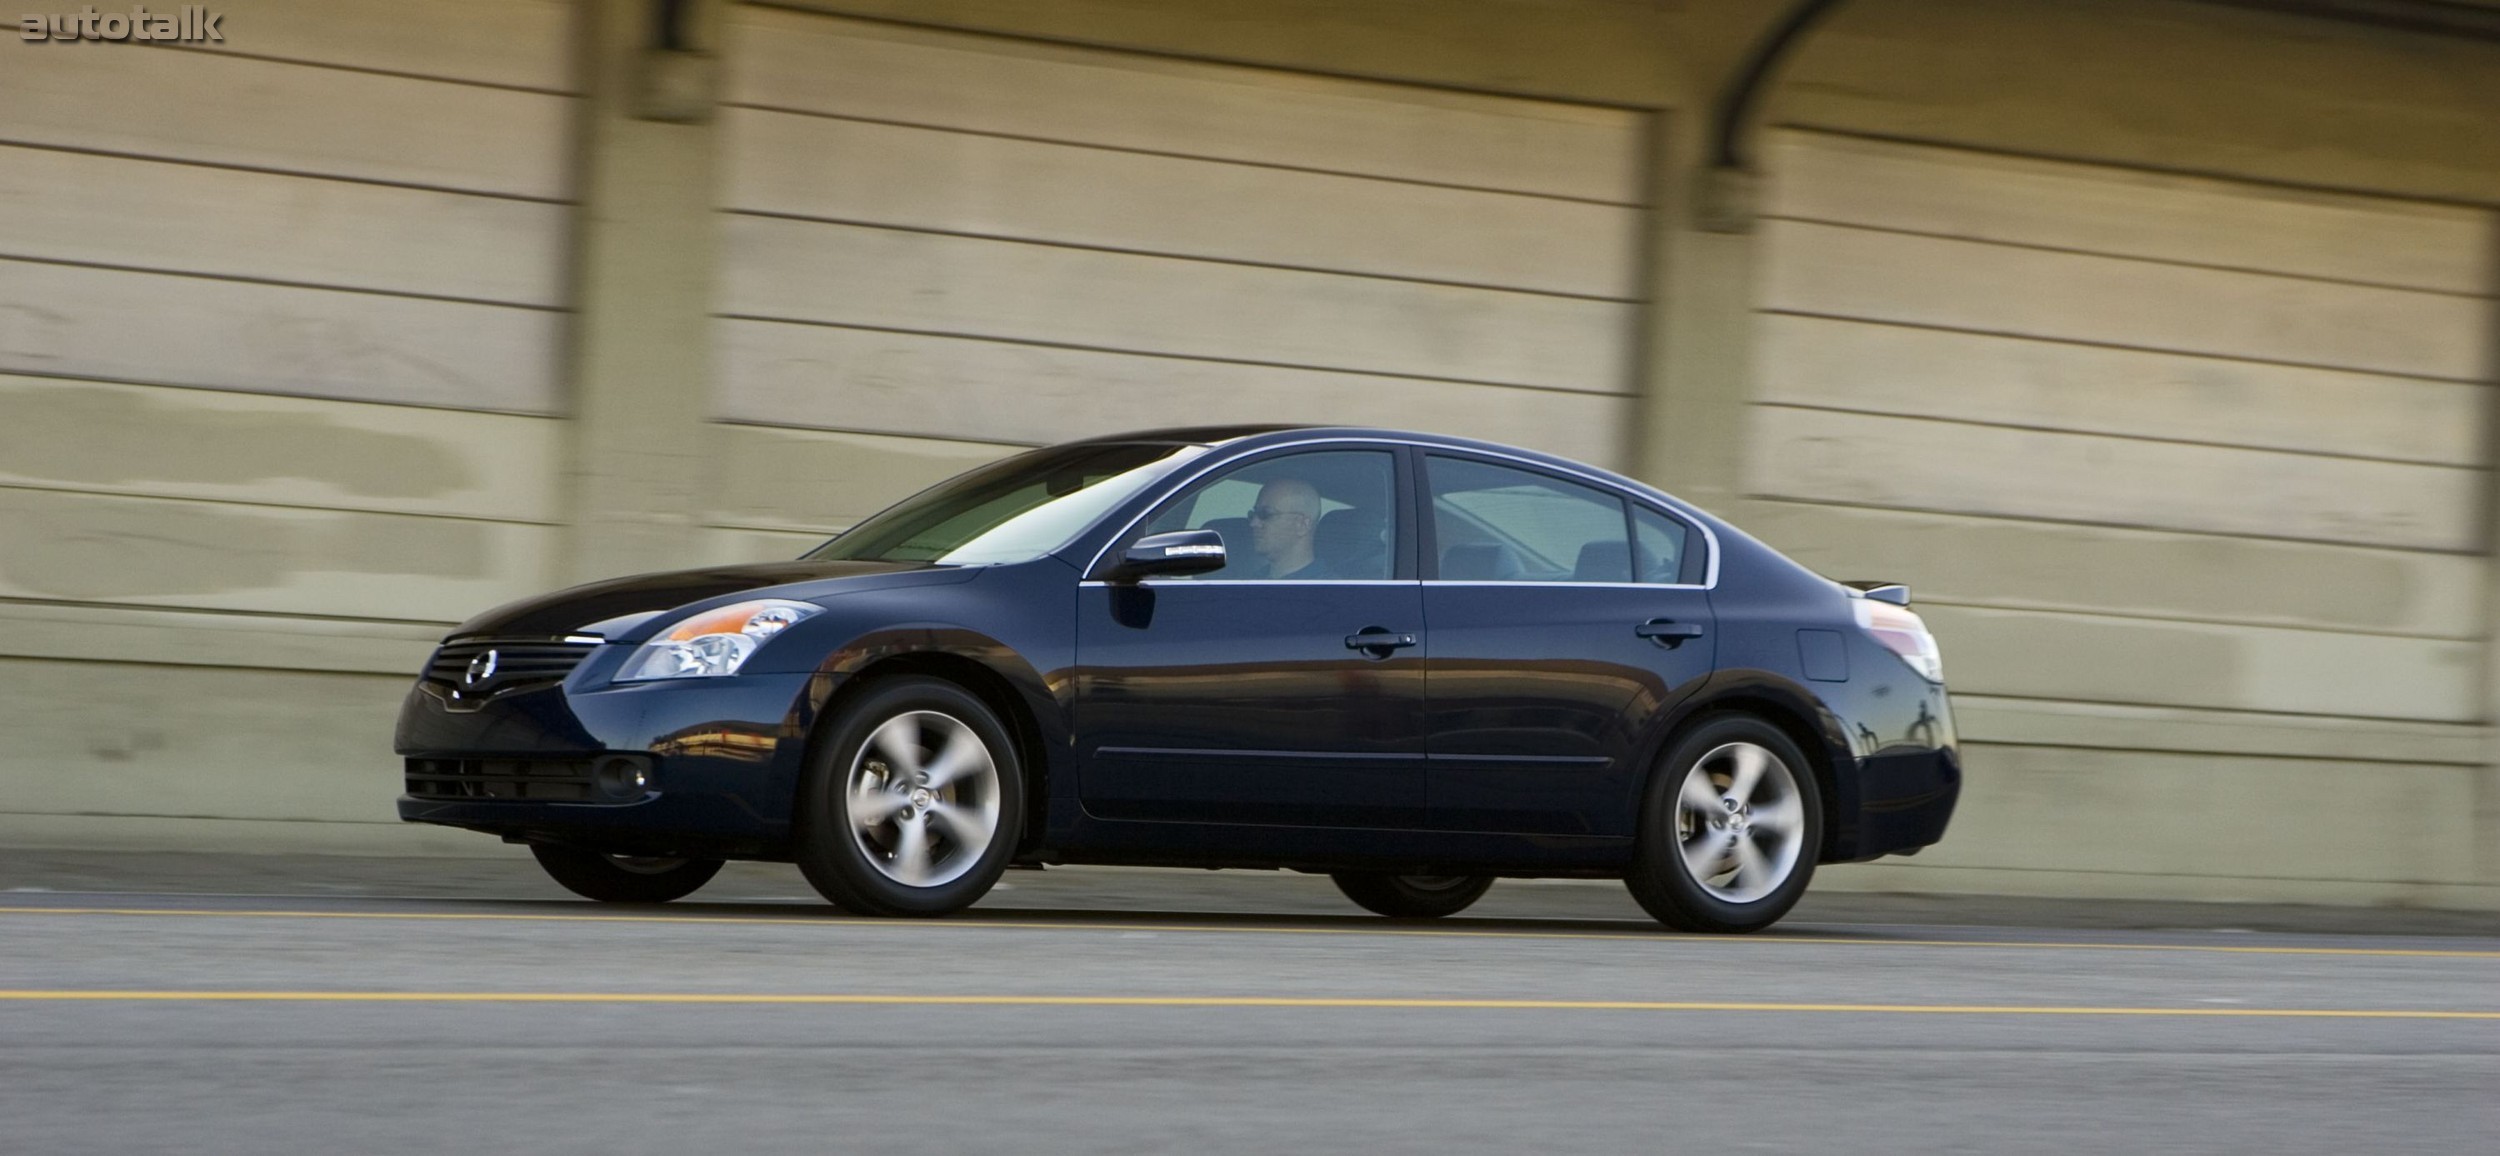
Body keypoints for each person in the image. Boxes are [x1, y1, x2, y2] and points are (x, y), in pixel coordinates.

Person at [1246, 478, 1333, 580]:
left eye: (1266, 514)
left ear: (1302, 525)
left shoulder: (1328, 590)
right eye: (1252, 514)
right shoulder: (1250, 581)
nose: (1254, 523)